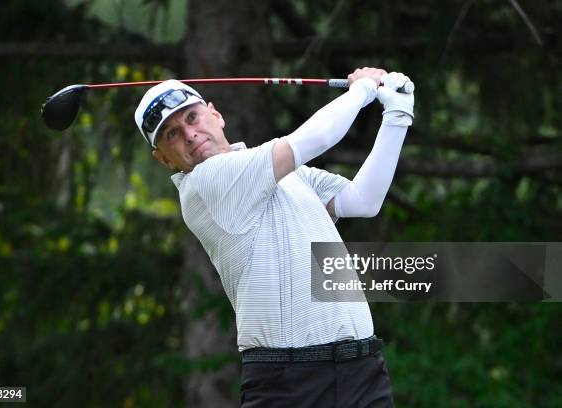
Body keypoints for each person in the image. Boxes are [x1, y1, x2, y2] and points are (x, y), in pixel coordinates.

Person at [134, 67, 414, 407]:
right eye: (173, 134)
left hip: (362, 369)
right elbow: (314, 139)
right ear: (164, 158)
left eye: (193, 117)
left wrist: (398, 115)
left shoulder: (283, 174)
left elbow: (363, 200)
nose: (190, 134)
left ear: (215, 114)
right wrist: (363, 90)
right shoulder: (206, 183)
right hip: (291, 381)